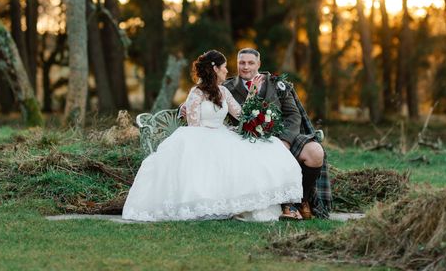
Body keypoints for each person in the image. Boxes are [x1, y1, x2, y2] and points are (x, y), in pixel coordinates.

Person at [122, 50, 303, 222]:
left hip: (221, 134)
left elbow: (242, 115)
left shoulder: (223, 92)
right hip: (198, 136)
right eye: (224, 67)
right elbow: (193, 124)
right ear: (215, 69)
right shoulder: (197, 92)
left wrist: (254, 92)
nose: (227, 70)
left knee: (263, 148)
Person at [222, 48, 326, 220]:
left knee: (316, 152)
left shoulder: (276, 84)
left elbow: (293, 115)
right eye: (242, 63)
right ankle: (284, 205)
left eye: (250, 63)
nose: (246, 67)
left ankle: (302, 199)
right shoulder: (227, 87)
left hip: (281, 137)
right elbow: (205, 97)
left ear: (259, 64)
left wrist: (285, 140)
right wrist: (186, 107)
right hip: (247, 141)